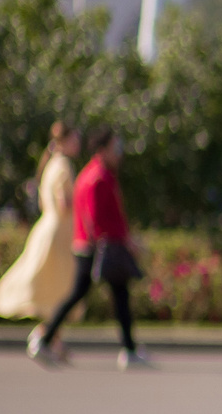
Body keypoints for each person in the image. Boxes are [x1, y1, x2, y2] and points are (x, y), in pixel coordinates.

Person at [33, 131, 150, 370]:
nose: (119, 154)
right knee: (107, 295)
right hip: (97, 247)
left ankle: (46, 340)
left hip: (92, 245)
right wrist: (125, 242)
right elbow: (98, 220)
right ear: (103, 149)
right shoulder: (98, 177)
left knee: (110, 295)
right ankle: (45, 339)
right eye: (115, 148)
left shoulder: (94, 174)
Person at [0, 123, 81, 337]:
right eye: (75, 140)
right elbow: (64, 203)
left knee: (53, 288)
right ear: (65, 141)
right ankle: (45, 335)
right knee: (62, 289)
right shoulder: (63, 166)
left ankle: (52, 339)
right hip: (59, 233)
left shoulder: (50, 165)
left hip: (48, 229)